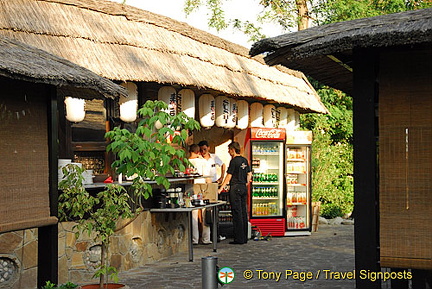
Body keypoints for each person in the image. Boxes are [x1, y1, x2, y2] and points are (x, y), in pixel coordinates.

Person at [218, 141, 252, 244]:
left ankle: (238, 238)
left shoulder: (234, 161)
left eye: (229, 150)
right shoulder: (244, 160)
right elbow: (249, 174)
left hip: (235, 188)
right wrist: (245, 184)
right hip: (243, 188)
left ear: (233, 150)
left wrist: (221, 188)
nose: (228, 152)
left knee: (236, 213)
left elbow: (229, 176)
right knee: (243, 212)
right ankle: (245, 237)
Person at [188, 144, 212, 245]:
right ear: (198, 152)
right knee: (204, 213)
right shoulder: (203, 162)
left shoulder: (186, 162)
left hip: (190, 188)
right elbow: (208, 177)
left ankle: (194, 239)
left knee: (193, 214)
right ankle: (206, 239)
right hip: (202, 188)